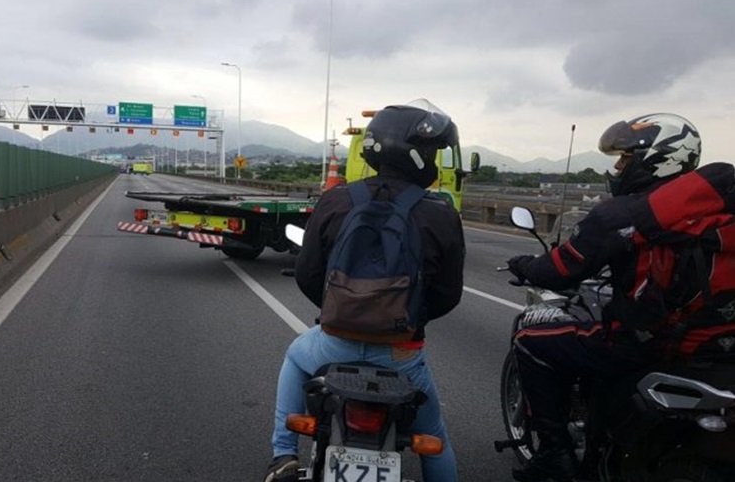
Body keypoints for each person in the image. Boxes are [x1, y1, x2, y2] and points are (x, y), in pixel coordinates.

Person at [265, 99, 465, 482]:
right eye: (433, 153)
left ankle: (284, 456)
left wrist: (338, 316)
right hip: (401, 354)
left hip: (333, 342)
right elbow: (448, 293)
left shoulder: (336, 199)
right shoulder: (440, 213)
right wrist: (411, 320)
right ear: (418, 156)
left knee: (294, 356)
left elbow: (308, 276)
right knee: (434, 439)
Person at [505, 113, 703, 482]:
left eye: (626, 157)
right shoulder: (717, 210)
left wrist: (525, 266)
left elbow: (562, 268)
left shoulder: (627, 213)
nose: (618, 166)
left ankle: (554, 454)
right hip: (716, 344)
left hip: (650, 343)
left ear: (661, 158)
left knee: (531, 342)